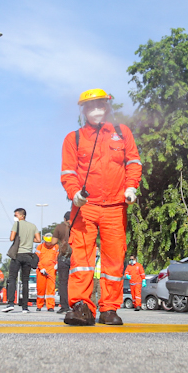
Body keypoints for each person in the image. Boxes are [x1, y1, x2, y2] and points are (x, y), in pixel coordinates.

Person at [60, 88, 142, 326]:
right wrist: (75, 194)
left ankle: (109, 309)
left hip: (115, 207)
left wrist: (131, 187)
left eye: (100, 105)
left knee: (114, 260)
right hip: (85, 208)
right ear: (83, 110)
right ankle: (81, 306)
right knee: (82, 260)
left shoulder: (122, 132)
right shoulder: (73, 138)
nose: (95, 110)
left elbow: (133, 162)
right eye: (90, 106)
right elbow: (68, 172)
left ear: (107, 107)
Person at [3, 208, 40, 313]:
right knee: (25, 281)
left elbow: (11, 238)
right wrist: (29, 240)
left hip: (17, 255)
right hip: (28, 256)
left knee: (12, 279)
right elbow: (38, 239)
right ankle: (25, 307)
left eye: (16, 215)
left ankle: (11, 303)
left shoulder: (17, 224)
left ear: (21, 216)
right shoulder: (33, 226)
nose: (15, 217)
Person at [53, 211, 72, 313]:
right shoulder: (76, 227)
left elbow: (53, 242)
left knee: (63, 282)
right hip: (75, 258)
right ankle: (75, 304)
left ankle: (64, 306)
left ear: (64, 219)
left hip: (63, 258)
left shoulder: (59, 227)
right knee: (74, 282)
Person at [35, 234, 59, 311]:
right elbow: (36, 259)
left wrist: (57, 264)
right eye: (47, 242)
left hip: (52, 269)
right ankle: (39, 305)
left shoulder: (56, 247)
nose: (49, 244)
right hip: (41, 270)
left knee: (51, 289)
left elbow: (58, 257)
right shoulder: (40, 247)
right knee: (40, 289)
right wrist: (41, 268)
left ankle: (50, 306)